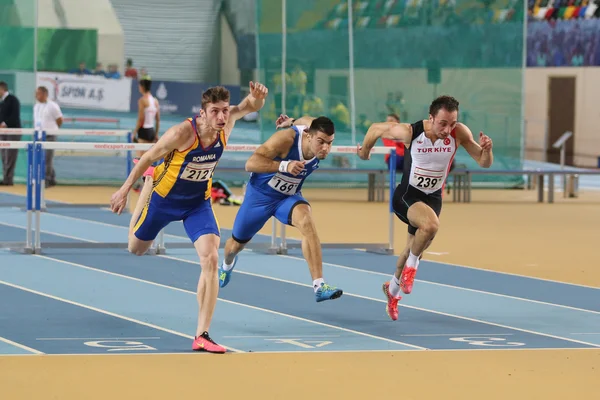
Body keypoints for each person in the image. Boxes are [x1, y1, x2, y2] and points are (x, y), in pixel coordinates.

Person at [109, 82, 269, 353]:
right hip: (163, 199)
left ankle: (202, 334)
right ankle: (149, 184)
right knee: (135, 248)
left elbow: (248, 107)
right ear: (202, 113)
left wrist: (257, 98)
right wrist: (124, 190)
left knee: (211, 259)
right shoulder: (182, 132)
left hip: (198, 203)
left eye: (224, 111)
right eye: (215, 111)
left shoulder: (226, 124)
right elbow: (148, 155)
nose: (221, 117)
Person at [357, 95, 493, 321]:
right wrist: (364, 152)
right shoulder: (411, 132)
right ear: (431, 118)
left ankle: (392, 291)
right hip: (407, 195)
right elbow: (375, 128)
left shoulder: (459, 133)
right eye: (443, 123)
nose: (448, 129)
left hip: (432, 199)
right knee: (430, 226)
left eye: (452, 123)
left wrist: (487, 150)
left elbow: (483, 161)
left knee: (412, 247)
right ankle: (411, 270)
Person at [218, 114, 343, 303]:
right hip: (259, 198)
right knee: (234, 247)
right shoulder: (286, 139)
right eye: (321, 142)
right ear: (308, 136)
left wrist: (292, 120)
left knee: (307, 223)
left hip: (288, 197)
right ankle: (226, 265)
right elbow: (250, 163)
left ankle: (319, 285)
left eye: (330, 143)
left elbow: (306, 119)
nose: (325, 148)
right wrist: (285, 165)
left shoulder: (312, 128)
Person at [34, 86, 63, 188]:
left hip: (50, 135)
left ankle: (47, 179)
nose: (36, 96)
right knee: (43, 158)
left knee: (47, 158)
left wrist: (53, 129)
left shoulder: (52, 106)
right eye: (36, 93)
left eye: (38, 93)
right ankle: (52, 178)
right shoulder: (36, 106)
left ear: (45, 94)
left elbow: (60, 119)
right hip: (39, 134)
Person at [0, 81, 22, 186]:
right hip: (3, 133)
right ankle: (6, 178)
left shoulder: (13, 100)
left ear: (2, 89)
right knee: (4, 155)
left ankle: (8, 179)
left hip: (13, 131)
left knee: (10, 156)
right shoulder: (2, 102)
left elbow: (14, 116)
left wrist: (4, 124)